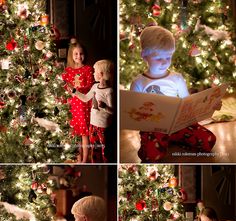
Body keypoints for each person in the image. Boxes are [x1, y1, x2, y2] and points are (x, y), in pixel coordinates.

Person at [130, 25, 219, 163]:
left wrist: (211, 105)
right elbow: (134, 113)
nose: (165, 62)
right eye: (158, 57)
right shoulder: (139, 83)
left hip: (178, 125)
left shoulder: (176, 78)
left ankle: (172, 140)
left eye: (168, 56)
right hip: (154, 129)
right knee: (152, 156)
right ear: (144, 55)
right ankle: (162, 142)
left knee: (209, 140)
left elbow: (188, 103)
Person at [72, 59, 114, 163]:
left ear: (101, 74)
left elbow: (113, 111)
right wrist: (74, 92)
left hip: (103, 127)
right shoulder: (95, 86)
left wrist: (104, 107)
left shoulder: (109, 91)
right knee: (94, 149)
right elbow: (86, 98)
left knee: (105, 151)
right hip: (93, 124)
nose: (93, 73)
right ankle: (95, 162)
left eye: (95, 72)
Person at [62, 39, 94, 163]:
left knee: (84, 134)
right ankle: (78, 158)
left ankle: (85, 159)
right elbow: (64, 84)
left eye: (81, 54)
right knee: (75, 134)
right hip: (72, 105)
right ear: (71, 55)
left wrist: (77, 90)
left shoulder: (88, 69)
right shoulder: (68, 71)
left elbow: (90, 85)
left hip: (83, 105)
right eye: (76, 54)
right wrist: (68, 90)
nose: (79, 56)